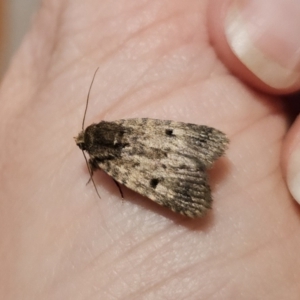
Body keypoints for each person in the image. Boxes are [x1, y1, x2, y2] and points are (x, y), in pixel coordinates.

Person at [0, 0, 299, 298]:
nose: (81, 143)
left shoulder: (104, 162)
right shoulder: (115, 133)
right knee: (166, 136)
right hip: (148, 135)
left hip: (152, 169)